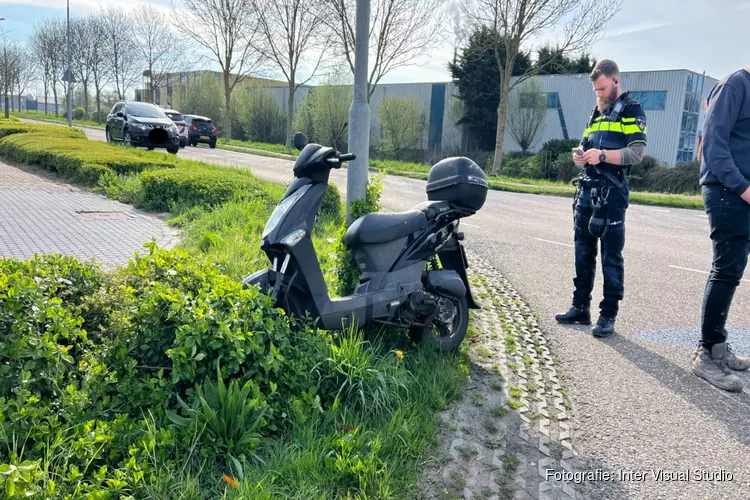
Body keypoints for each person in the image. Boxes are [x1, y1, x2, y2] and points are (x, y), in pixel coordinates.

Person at [555, 59, 647, 337]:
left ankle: (608, 315)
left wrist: (604, 156)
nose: (599, 95)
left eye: (603, 89)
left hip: (612, 192)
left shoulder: (632, 110)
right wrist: (580, 156)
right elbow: (585, 145)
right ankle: (580, 307)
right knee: (582, 252)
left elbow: (637, 153)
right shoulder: (596, 111)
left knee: (610, 256)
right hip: (587, 188)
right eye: (596, 90)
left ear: (616, 82)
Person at [692, 66, 750, 392]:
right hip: (728, 192)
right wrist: (745, 189)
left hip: (740, 193)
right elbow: (714, 145)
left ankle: (717, 346)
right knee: (726, 269)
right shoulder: (735, 84)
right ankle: (707, 354)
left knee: (732, 269)